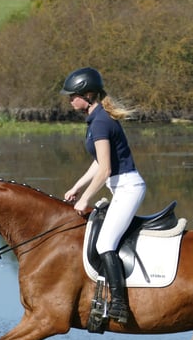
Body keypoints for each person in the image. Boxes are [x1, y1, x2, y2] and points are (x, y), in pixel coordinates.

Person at [61, 67, 146, 324]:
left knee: (105, 243)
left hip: (128, 187)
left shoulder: (100, 122)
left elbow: (106, 169)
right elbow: (99, 163)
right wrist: (77, 187)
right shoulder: (96, 120)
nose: (69, 99)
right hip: (120, 186)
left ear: (88, 95)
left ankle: (120, 306)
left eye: (73, 95)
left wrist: (86, 199)